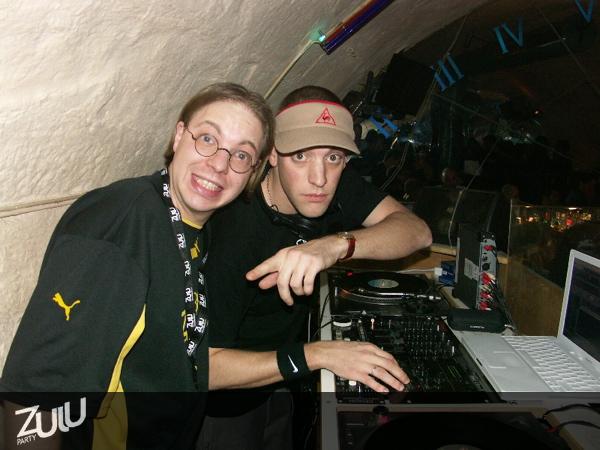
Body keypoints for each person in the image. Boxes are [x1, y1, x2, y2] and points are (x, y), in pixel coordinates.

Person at [0, 82, 275, 450]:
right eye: (208, 138)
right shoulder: (121, 221)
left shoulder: (195, 228)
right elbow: (35, 395)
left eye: (241, 154)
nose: (219, 164)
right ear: (179, 136)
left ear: (253, 172)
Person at [197, 86, 432, 449]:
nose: (319, 178)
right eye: (300, 155)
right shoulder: (232, 232)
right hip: (223, 407)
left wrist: (333, 246)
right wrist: (317, 355)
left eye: (334, 157)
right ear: (271, 154)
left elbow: (417, 232)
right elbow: (205, 368)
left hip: (279, 383)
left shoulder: (331, 185)